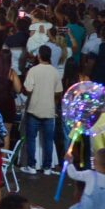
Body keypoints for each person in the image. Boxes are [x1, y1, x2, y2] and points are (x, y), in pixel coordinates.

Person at [21, 45, 62, 175]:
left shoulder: (33, 70)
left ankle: (31, 166)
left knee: (31, 138)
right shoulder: (55, 72)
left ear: (39, 56)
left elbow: (28, 90)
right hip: (49, 110)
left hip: (34, 109)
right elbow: (59, 92)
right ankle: (47, 167)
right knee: (49, 139)